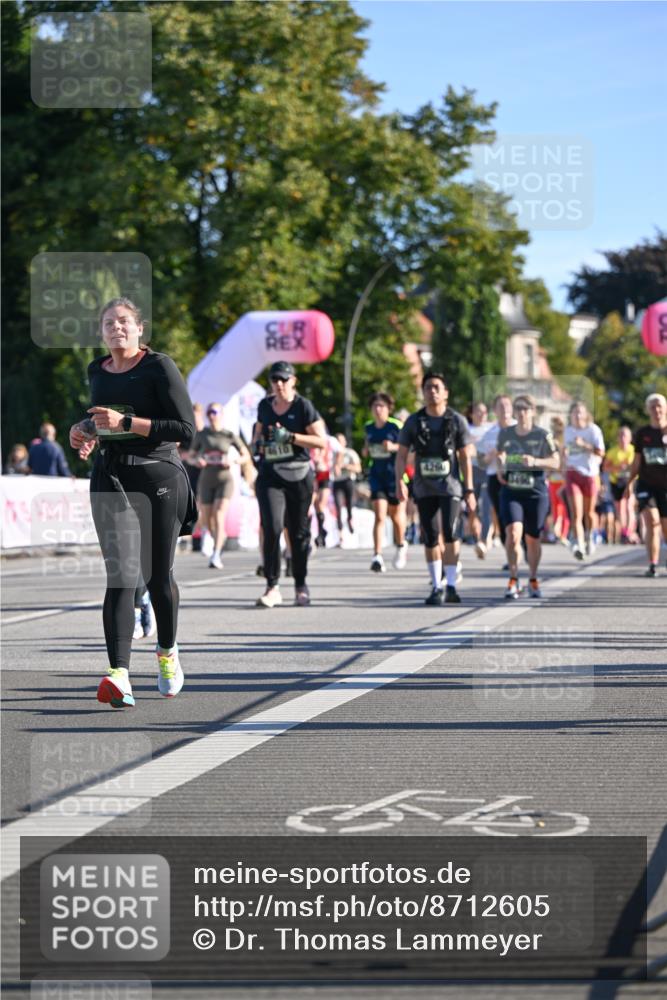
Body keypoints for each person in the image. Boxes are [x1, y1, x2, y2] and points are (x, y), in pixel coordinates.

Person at [69, 297, 196, 708]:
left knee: (158, 576)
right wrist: (85, 430)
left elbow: (185, 430)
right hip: (111, 477)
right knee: (121, 577)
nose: (116, 328)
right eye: (108, 323)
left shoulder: (158, 366)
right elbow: (104, 422)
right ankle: (119, 674)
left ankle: (168, 654)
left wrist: (125, 423)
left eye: (123, 322)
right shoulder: (97, 371)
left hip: (159, 476)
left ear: (139, 329)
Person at [252, 360, 327, 607]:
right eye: (275, 380)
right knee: (272, 527)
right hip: (271, 474)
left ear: (293, 380)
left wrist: (292, 437)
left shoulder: (303, 406)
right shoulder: (265, 405)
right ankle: (272, 586)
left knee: (298, 532)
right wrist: (258, 448)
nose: (279, 384)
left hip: (298, 475)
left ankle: (300, 583)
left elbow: (321, 441)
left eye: (284, 379)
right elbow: (258, 435)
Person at [395, 372, 474, 606]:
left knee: (450, 533)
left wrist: (469, 490)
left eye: (437, 387)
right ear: (423, 392)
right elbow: (401, 455)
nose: (432, 391)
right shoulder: (414, 421)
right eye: (428, 387)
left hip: (450, 487)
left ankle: (451, 585)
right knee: (429, 536)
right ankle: (436, 586)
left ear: (446, 393)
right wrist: (400, 480)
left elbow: (465, 457)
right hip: (424, 487)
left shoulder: (457, 421)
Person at [497, 394, 560, 599]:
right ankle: (513, 579)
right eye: (519, 409)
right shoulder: (505, 434)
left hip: (536, 493)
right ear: (514, 412)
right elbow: (499, 455)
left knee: (533, 539)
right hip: (512, 490)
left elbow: (556, 462)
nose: (522, 413)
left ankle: (532, 578)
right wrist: (500, 466)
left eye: (526, 409)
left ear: (533, 411)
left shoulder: (543, 435)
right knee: (514, 533)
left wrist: (535, 462)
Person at [189, 403, 251, 569]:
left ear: (221, 414)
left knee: (219, 515)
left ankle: (216, 554)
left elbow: (246, 455)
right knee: (208, 520)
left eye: (215, 412)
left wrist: (233, 460)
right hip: (207, 479)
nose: (211, 415)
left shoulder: (229, 435)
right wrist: (197, 461)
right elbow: (190, 456)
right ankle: (218, 542)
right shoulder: (202, 435)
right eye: (209, 412)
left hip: (225, 479)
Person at [364, 392, 407, 572]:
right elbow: (367, 447)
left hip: (395, 476)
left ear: (389, 409)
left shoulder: (396, 426)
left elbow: (407, 448)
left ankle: (401, 545)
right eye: (375, 406)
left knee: (396, 517)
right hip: (377, 476)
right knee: (380, 515)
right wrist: (366, 450)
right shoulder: (368, 427)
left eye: (382, 406)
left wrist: (393, 447)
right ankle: (377, 555)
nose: (378, 409)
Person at [625, 393, 667, 577]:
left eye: (659, 406)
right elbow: (637, 461)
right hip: (646, 484)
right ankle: (652, 564)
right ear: (648, 410)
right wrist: (629, 483)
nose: (656, 410)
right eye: (653, 407)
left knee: (664, 526)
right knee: (651, 521)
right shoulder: (642, 434)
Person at [564, 401, 605, 559]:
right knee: (576, 512)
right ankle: (579, 544)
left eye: (580, 412)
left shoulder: (593, 430)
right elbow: (564, 450)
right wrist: (564, 456)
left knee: (589, 513)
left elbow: (600, 452)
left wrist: (584, 445)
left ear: (586, 414)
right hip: (572, 473)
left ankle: (590, 537)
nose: (577, 415)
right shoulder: (568, 431)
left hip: (590, 474)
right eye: (574, 412)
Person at [477, 394, 516, 555]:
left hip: (516, 477)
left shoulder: (520, 428)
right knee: (502, 516)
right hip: (495, 478)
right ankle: (510, 555)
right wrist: (490, 456)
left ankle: (523, 548)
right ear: (495, 410)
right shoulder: (490, 433)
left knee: (516, 516)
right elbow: (480, 461)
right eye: (500, 406)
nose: (504, 409)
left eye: (507, 405)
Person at [466, 400, 493, 558]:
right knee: (472, 509)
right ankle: (476, 536)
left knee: (486, 507)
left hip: (487, 471)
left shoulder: (491, 429)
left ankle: (484, 540)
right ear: (471, 414)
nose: (482, 415)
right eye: (478, 412)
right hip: (470, 472)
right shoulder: (467, 429)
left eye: (484, 412)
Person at [603, 426, 637, 544]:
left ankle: (630, 531)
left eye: (625, 436)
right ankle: (624, 532)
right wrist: (617, 468)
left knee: (629, 506)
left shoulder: (634, 450)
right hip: (617, 481)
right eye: (621, 435)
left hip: (631, 481)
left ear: (630, 438)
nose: (623, 438)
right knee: (620, 508)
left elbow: (637, 466)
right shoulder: (613, 451)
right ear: (618, 438)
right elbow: (605, 467)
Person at [333, 433, 361, 536]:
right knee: (338, 506)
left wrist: (347, 466)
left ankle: (350, 519)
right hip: (337, 481)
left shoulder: (350, 453)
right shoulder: (332, 454)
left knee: (349, 504)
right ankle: (340, 531)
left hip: (348, 480)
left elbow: (358, 469)